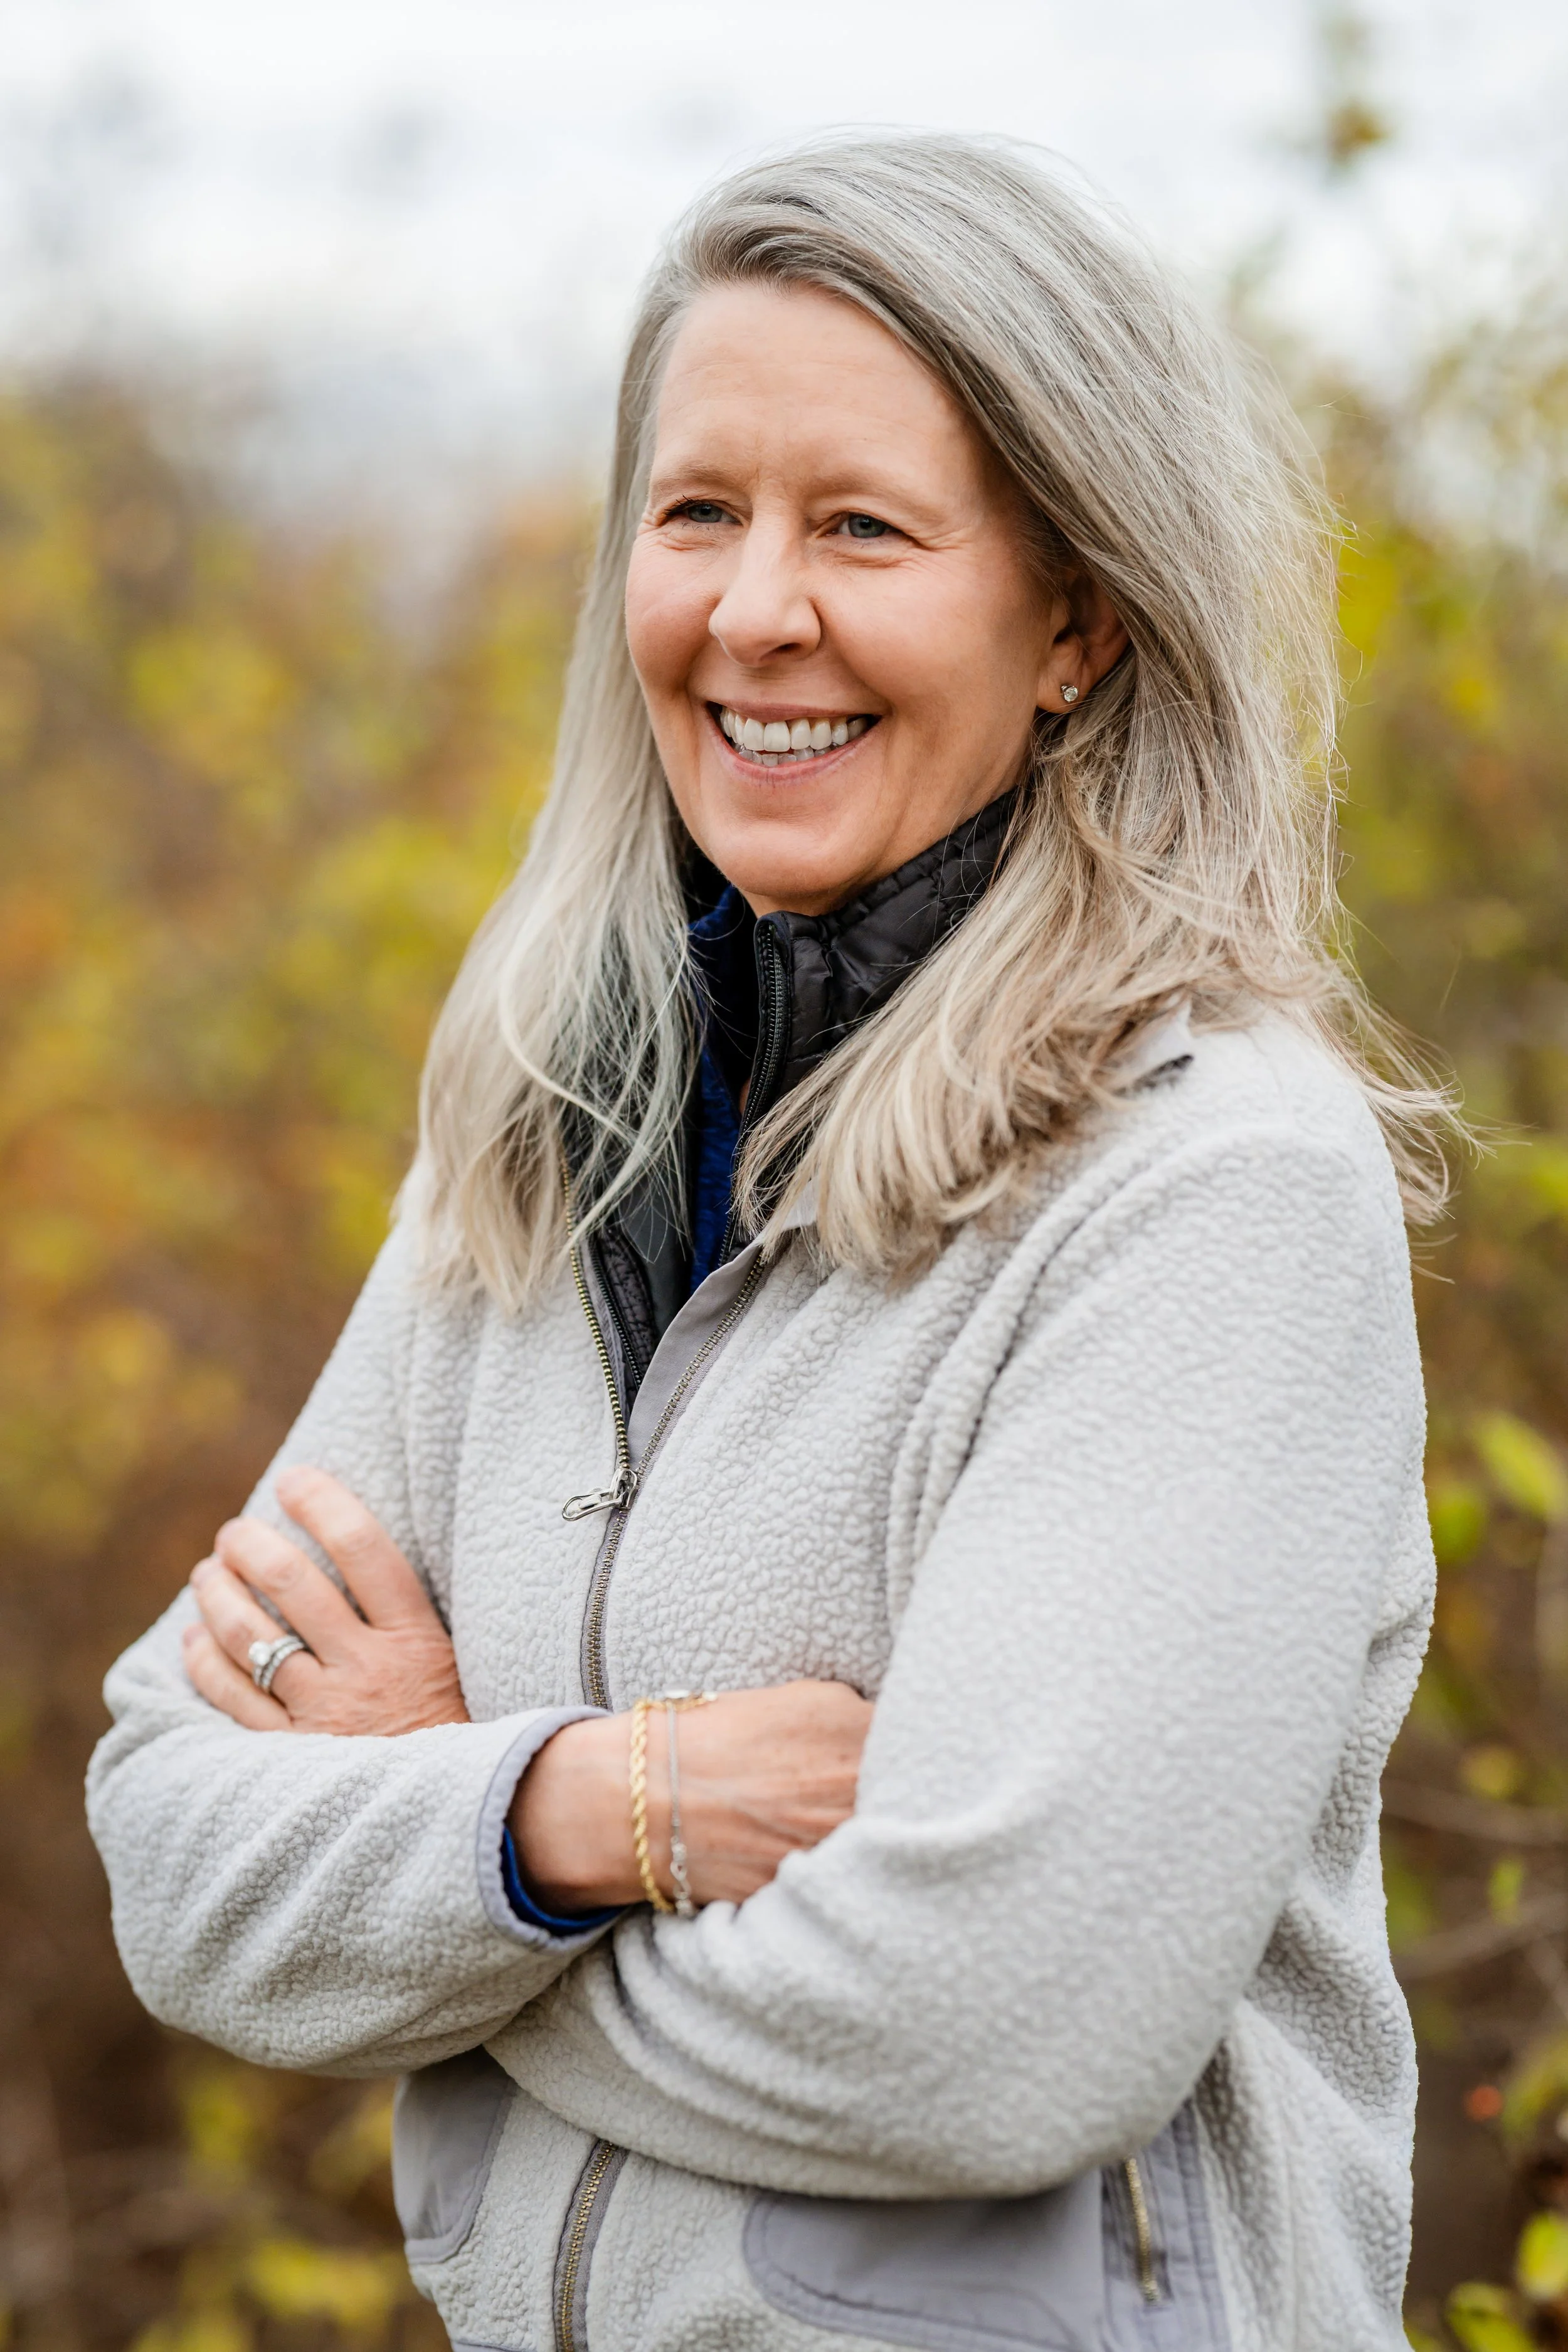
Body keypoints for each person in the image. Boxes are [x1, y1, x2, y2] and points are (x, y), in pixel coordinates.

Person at [88, 134, 1448, 2352]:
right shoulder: (543, 1143)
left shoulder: (1211, 1188)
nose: (752, 612)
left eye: (865, 529)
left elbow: (1001, 2022)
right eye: (698, 509)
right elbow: (168, 1836)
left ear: (1077, 620)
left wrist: (440, 1893)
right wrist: (568, 1803)